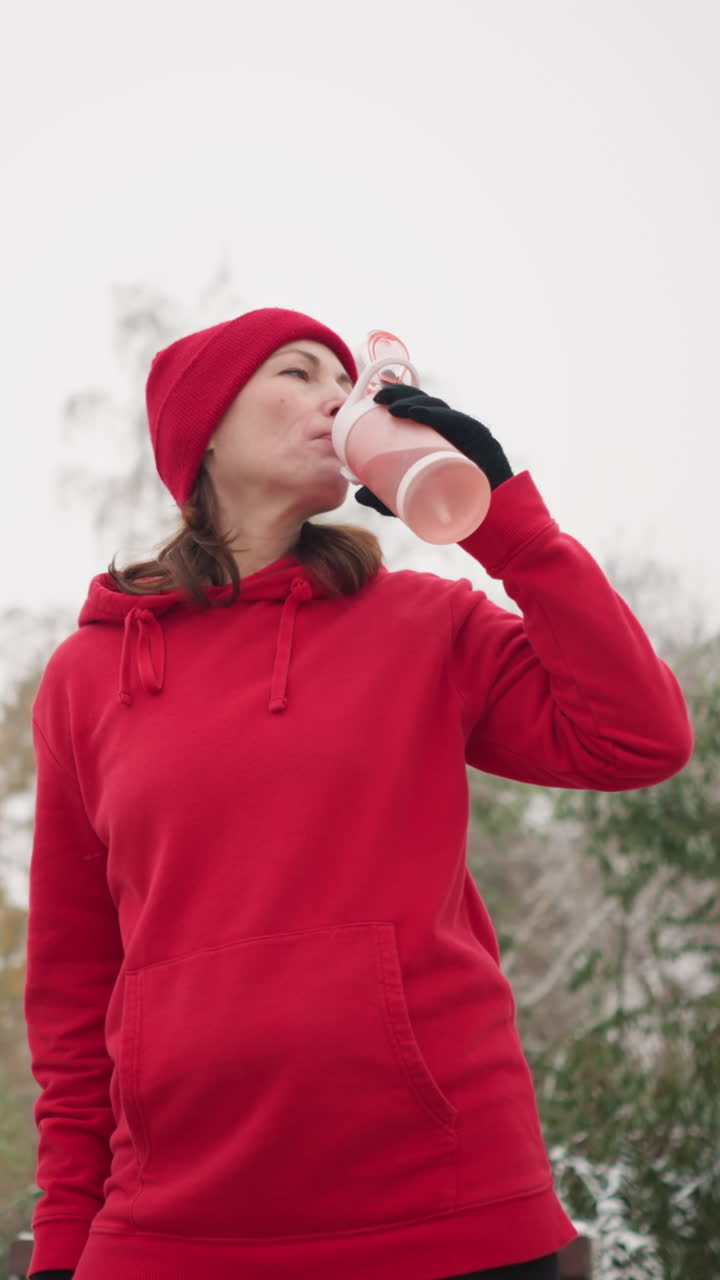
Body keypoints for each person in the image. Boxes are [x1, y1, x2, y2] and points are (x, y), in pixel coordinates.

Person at [24, 307, 694, 1280]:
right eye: (298, 373)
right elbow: (74, 983)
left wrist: (501, 515)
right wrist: (64, 1236)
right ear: (203, 425)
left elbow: (639, 736)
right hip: (173, 1221)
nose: (339, 397)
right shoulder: (89, 674)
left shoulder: (426, 623)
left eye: (348, 380)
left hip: (448, 1202)